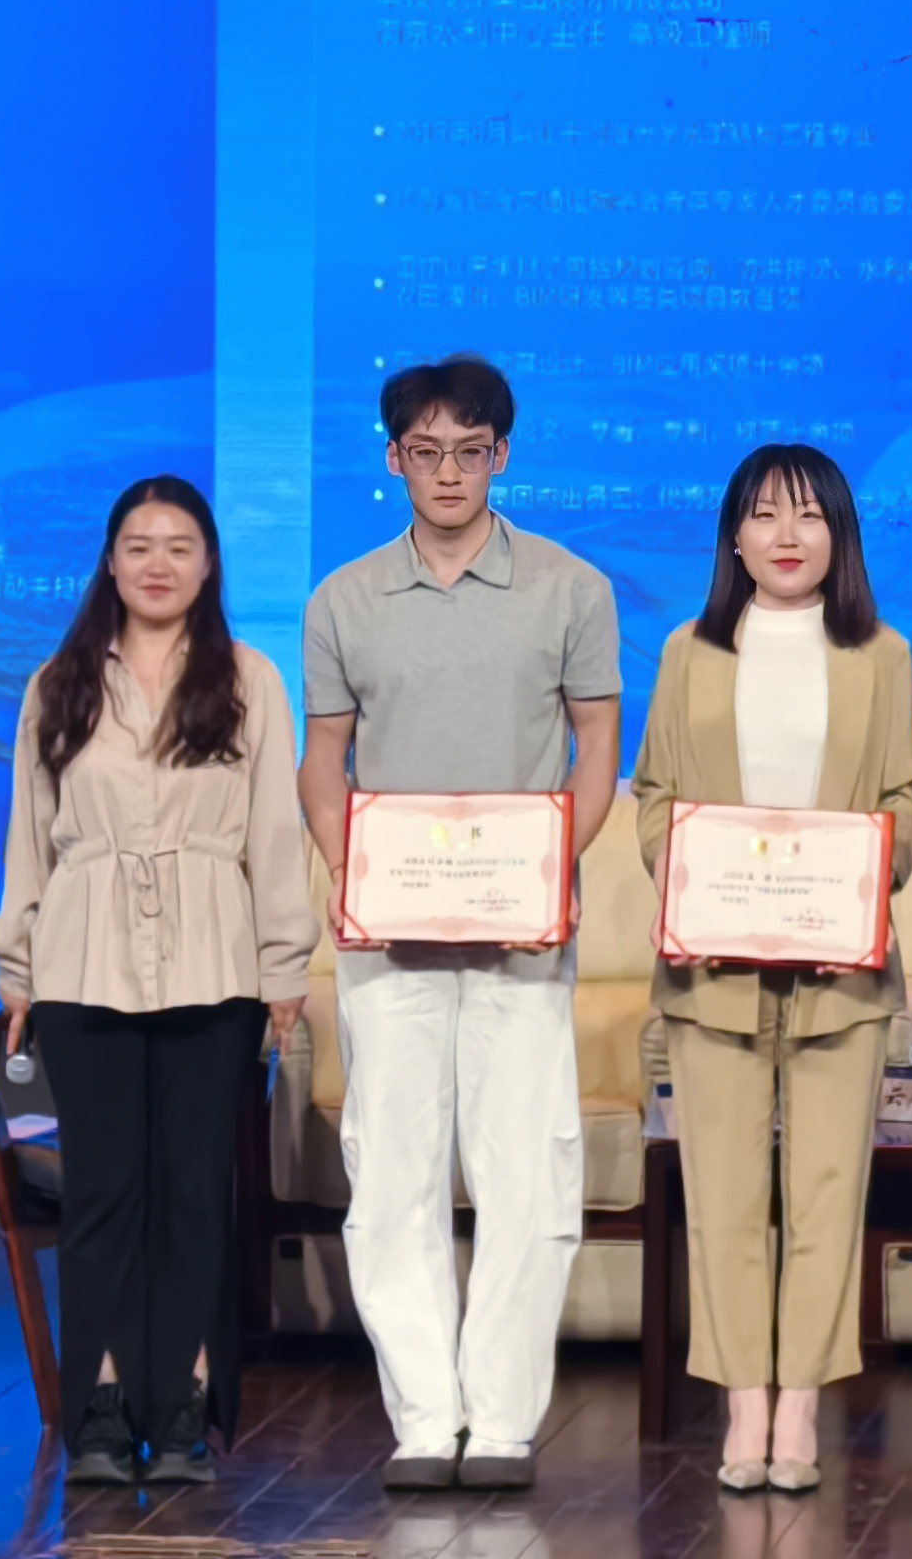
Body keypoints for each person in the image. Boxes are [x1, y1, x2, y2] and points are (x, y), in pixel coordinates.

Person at [297, 356, 623, 1492]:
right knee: (392, 1174)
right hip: (387, 935)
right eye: (427, 452)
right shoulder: (342, 599)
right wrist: (351, 869)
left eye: (470, 451)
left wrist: (552, 871)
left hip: (521, 929)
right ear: (394, 458)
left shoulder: (570, 587)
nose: (449, 472)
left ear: (502, 456)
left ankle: (505, 1419)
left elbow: (597, 747)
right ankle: (425, 1419)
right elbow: (324, 760)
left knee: (525, 1170)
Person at [0, 475, 315, 1488]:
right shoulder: (57, 684)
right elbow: (29, 838)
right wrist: (17, 970)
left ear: (209, 564)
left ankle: (184, 1403)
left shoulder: (250, 680)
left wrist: (283, 968)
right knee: (101, 1195)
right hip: (83, 963)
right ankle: (99, 1406)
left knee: (192, 1193)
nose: (158, 564)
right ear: (109, 561)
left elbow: (276, 836)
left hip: (214, 965)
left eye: (179, 546)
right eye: (139, 546)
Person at [630, 444, 912, 1493]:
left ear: (840, 536)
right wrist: (694, 877)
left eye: (810, 515)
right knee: (719, 1193)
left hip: (841, 970)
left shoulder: (882, 653)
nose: (787, 535)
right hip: (713, 967)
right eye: (764, 514)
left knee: (827, 1193)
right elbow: (654, 797)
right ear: (734, 539)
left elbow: (902, 802)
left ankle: (799, 1404)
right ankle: (741, 1403)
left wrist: (860, 873)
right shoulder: (689, 650)